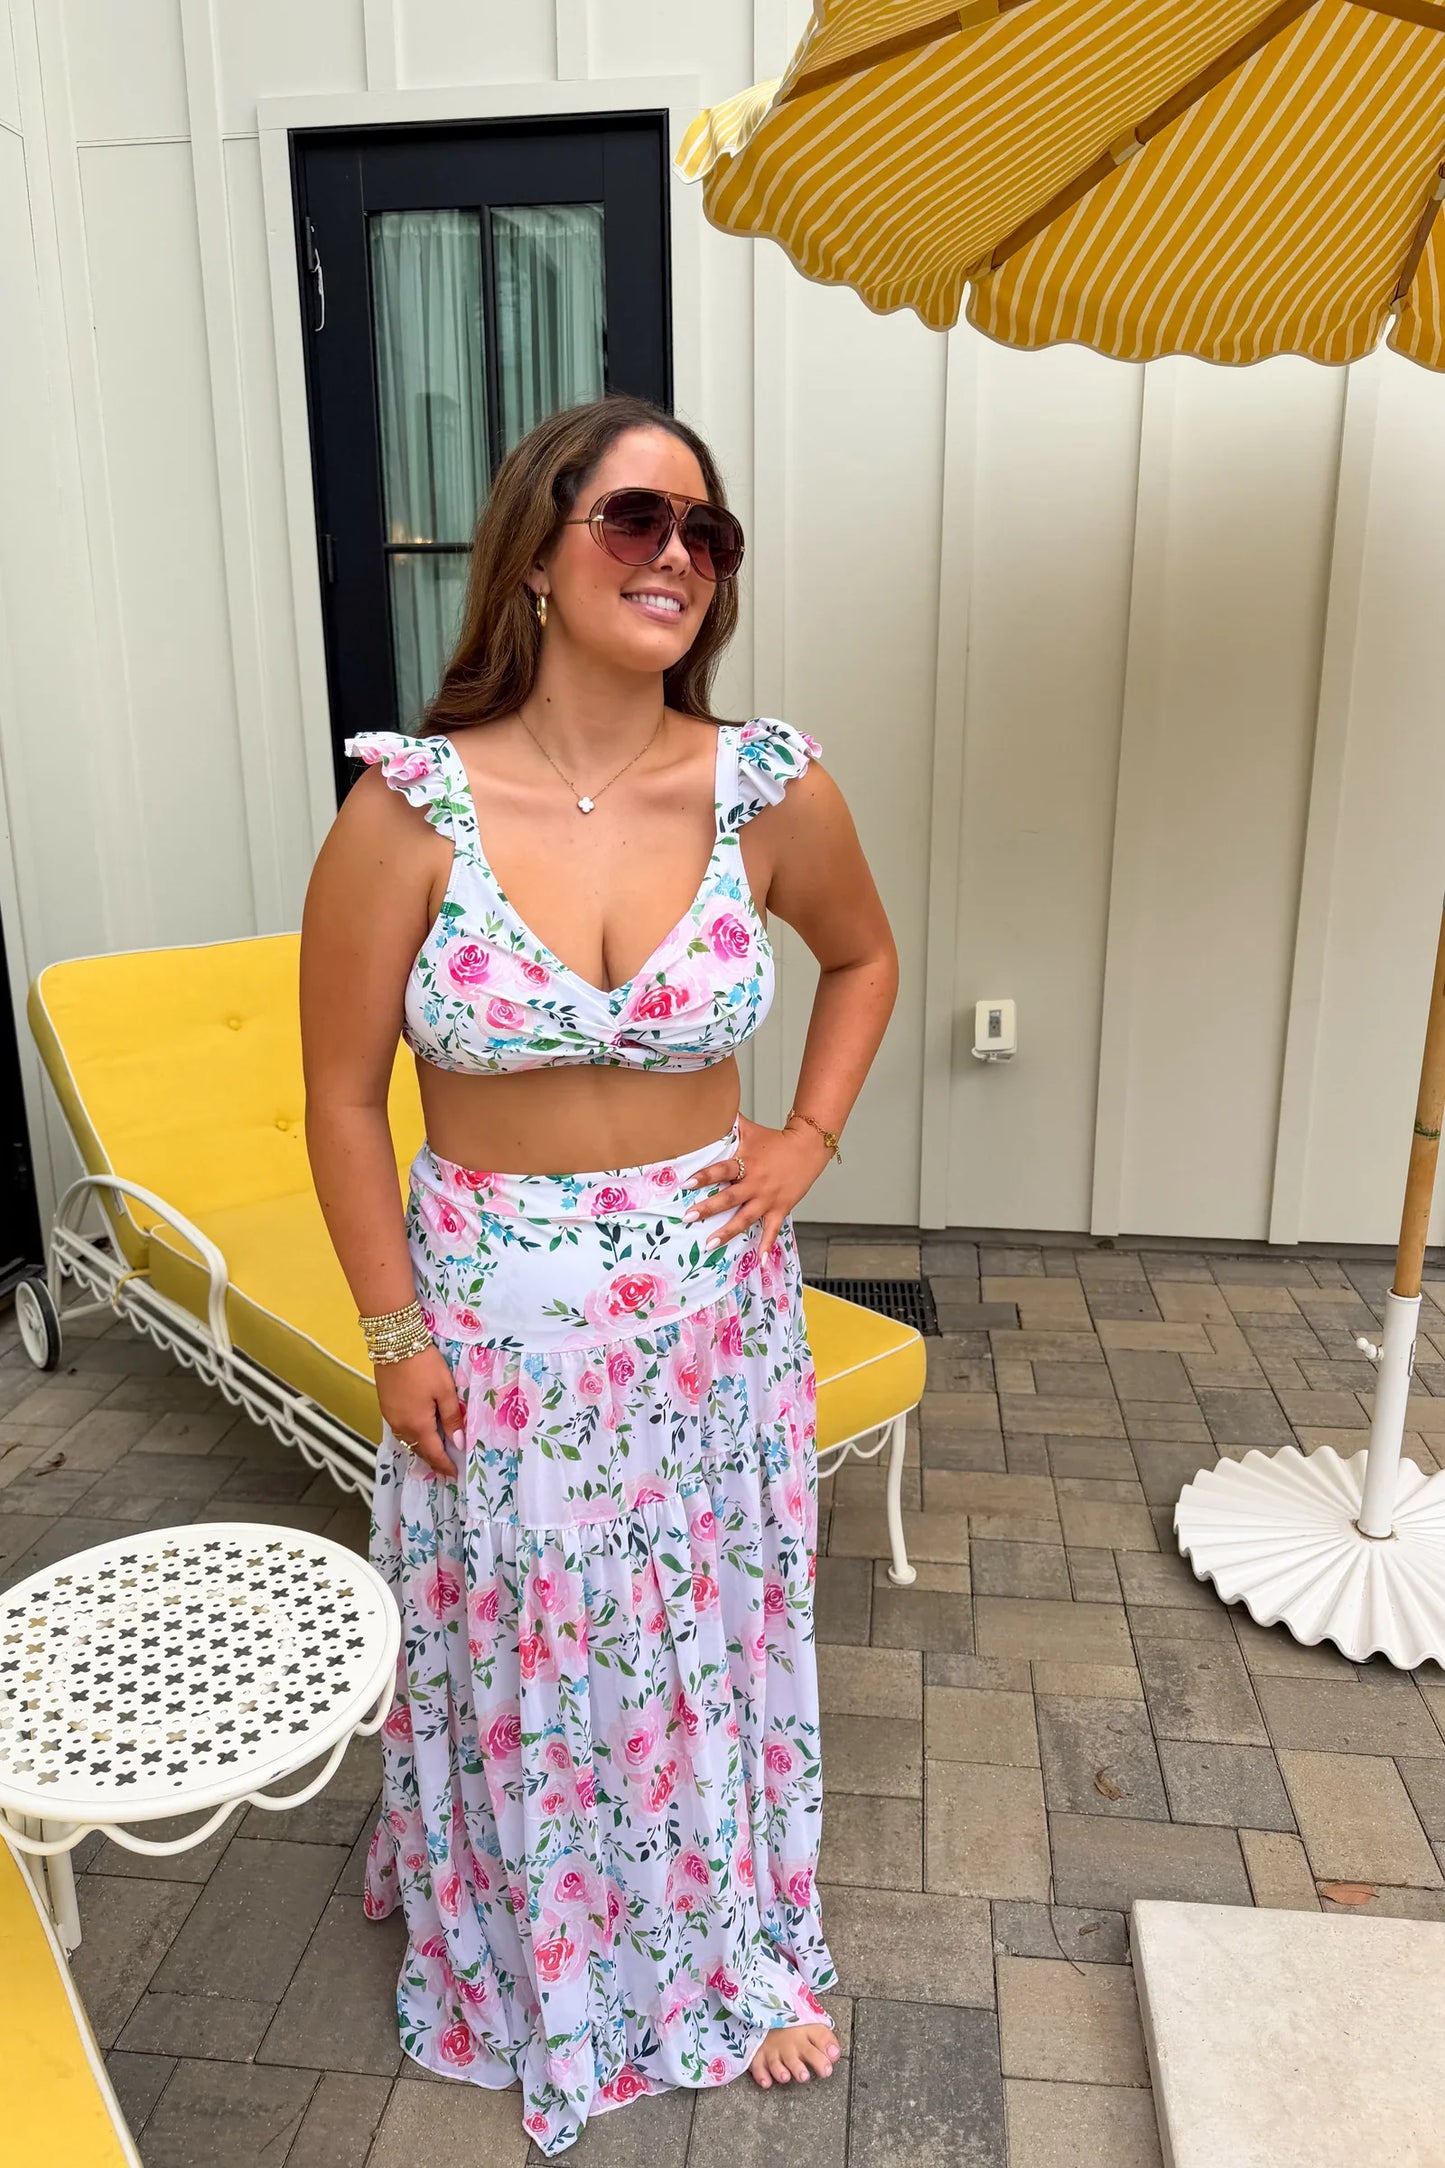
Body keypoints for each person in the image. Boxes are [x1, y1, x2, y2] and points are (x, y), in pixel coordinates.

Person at [300, 392, 898, 2155]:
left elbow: (860, 959)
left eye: (705, 536)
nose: (676, 560)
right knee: (530, 1641)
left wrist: (808, 1137)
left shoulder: (764, 787)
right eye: (636, 521)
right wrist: (390, 1330)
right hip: (498, 1310)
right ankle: (545, 1942)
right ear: (536, 558)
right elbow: (341, 1093)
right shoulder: (407, 809)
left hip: (711, 1314)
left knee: (704, 1636)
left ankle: (723, 1943)